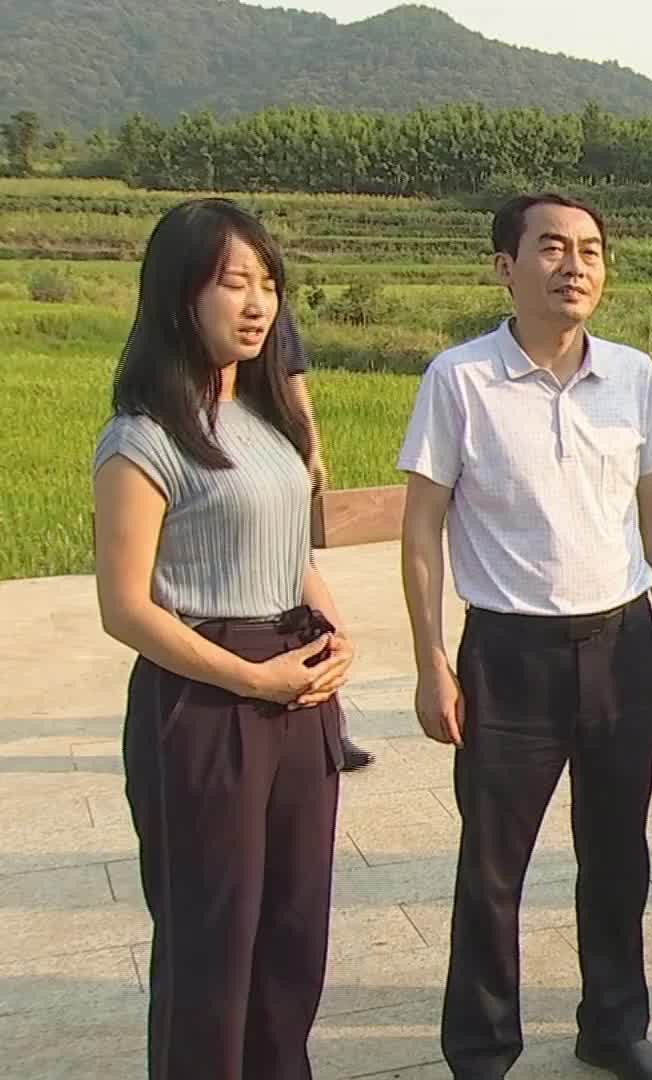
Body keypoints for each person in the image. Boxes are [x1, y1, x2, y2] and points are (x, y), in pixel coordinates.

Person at [397, 192, 652, 1080]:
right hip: (508, 656)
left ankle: (615, 1027)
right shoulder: (460, 380)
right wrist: (431, 660)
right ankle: (482, 1048)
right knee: (492, 867)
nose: (575, 266)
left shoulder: (633, 375)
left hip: (622, 644)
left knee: (617, 854)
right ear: (506, 266)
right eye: (553, 247)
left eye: (591, 250)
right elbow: (422, 528)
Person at [91, 197, 355, 1079]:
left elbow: (288, 553)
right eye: (233, 282)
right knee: (212, 938)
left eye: (268, 284)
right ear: (179, 294)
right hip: (206, 703)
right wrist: (253, 680)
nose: (257, 304)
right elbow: (126, 608)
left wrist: (333, 628)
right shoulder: (142, 438)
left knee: (292, 931)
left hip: (298, 689)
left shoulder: (270, 420)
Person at [276, 303, 377, 772]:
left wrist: (311, 445)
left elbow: (292, 372)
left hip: (278, 454)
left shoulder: (273, 302)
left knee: (307, 597)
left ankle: (329, 725)